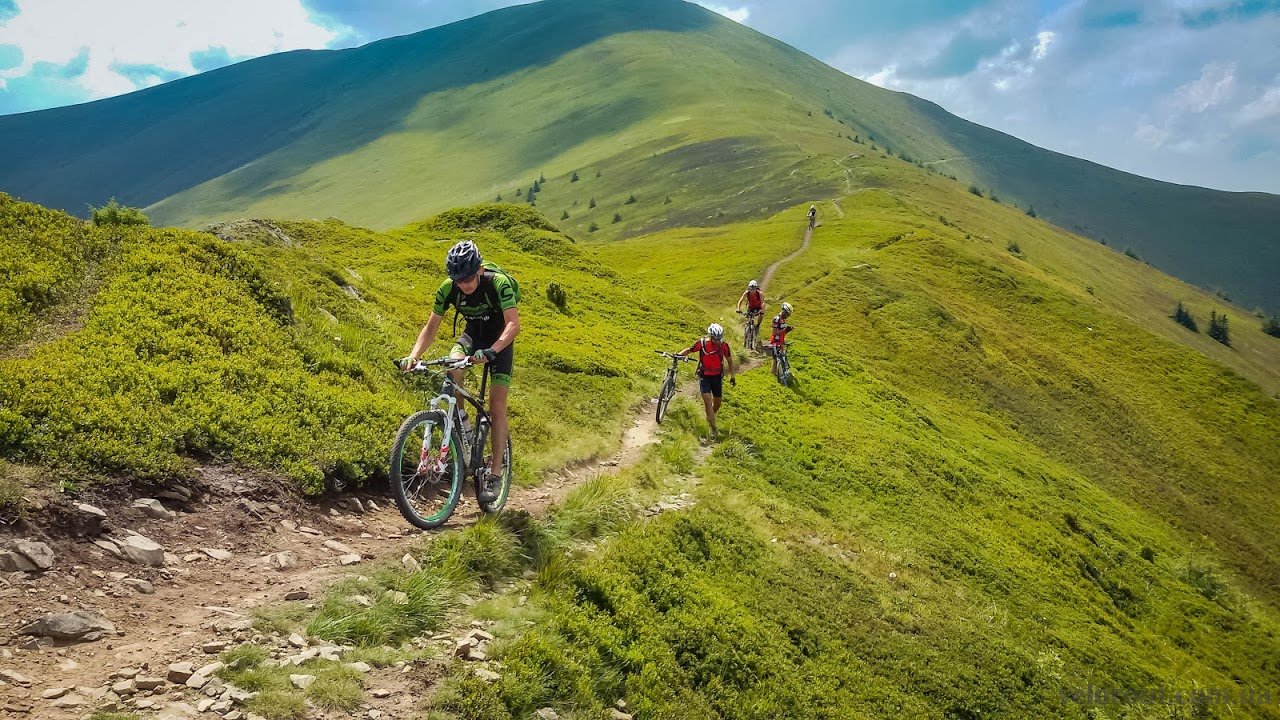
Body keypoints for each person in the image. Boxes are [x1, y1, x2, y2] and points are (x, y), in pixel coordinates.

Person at [402, 240, 520, 502]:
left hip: (500, 340)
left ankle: (495, 475)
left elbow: (513, 325)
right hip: (471, 337)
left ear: (479, 270)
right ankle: (464, 432)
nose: (463, 285)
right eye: (458, 280)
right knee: (452, 368)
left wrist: (494, 350)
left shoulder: (497, 283)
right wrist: (414, 356)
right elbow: (431, 327)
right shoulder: (449, 288)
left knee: (497, 404)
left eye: (467, 278)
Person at [676, 323, 736, 438]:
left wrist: (733, 376)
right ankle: (714, 429)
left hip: (717, 377)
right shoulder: (702, 344)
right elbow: (690, 350)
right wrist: (679, 355)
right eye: (715, 339)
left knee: (717, 403)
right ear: (711, 336)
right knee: (708, 400)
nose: (718, 341)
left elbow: (729, 361)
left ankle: (709, 416)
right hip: (705, 376)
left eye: (719, 339)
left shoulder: (724, 346)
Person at [768, 302, 794, 377]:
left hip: (781, 342)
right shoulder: (777, 319)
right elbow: (774, 333)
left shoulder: (783, 320)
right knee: (775, 361)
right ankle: (773, 377)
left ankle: (785, 371)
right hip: (775, 342)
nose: (787, 316)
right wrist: (784, 329)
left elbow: (782, 332)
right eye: (787, 314)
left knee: (783, 357)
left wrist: (787, 330)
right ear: (783, 311)